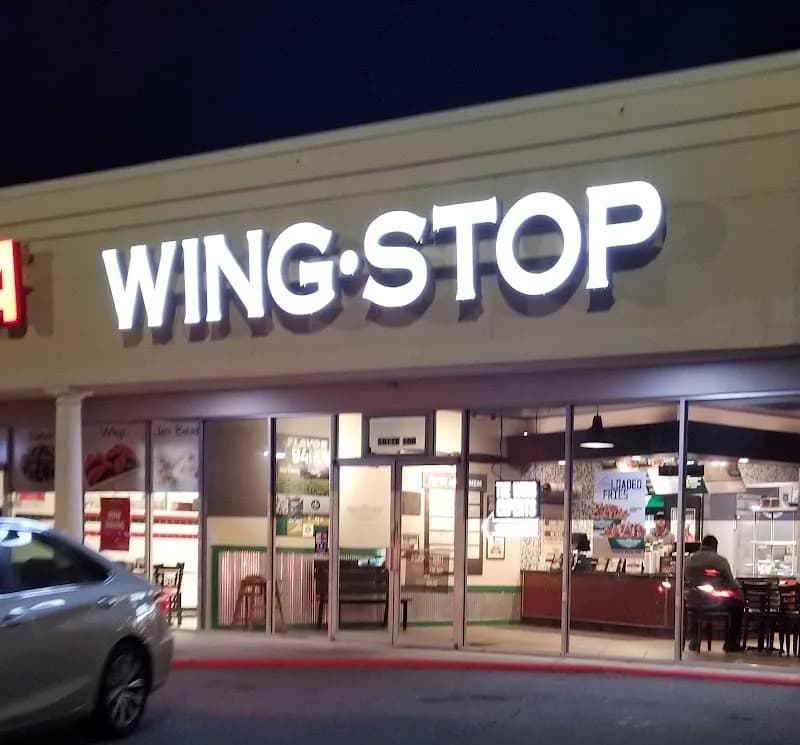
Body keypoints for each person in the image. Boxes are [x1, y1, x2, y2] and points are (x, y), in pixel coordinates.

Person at [683, 535, 744, 653]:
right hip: (714, 602)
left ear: (702, 545)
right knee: (738, 605)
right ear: (715, 547)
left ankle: (694, 640)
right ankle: (731, 643)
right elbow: (731, 584)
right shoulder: (720, 561)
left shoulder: (688, 560)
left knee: (696, 612)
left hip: (693, 601)